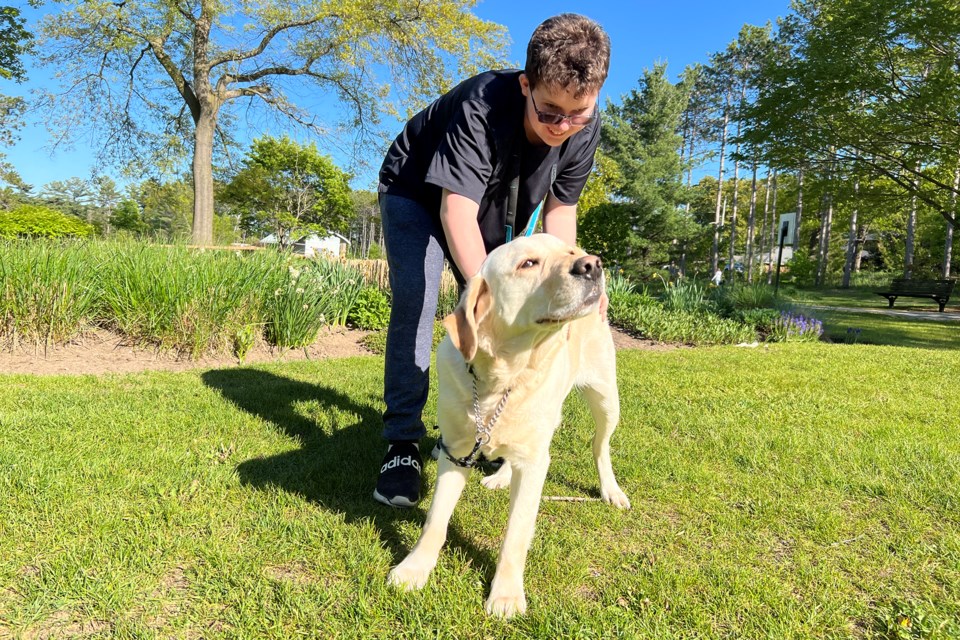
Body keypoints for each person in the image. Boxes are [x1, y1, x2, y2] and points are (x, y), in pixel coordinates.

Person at [373, 13, 611, 507]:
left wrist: (572, 286)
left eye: (578, 114)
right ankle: (402, 443)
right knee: (419, 301)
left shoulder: (580, 130)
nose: (562, 127)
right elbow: (454, 209)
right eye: (549, 112)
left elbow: (560, 215)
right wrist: (486, 292)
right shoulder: (482, 106)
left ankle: (491, 424)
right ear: (525, 85)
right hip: (416, 193)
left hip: (493, 198)